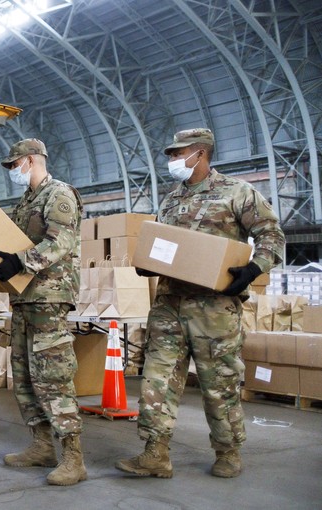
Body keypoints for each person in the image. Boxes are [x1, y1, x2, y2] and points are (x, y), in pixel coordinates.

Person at [115, 128, 285, 479]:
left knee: (218, 384)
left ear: (201, 153)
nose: (173, 160)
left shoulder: (237, 192)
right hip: (169, 305)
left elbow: (271, 234)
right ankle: (155, 453)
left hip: (214, 309)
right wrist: (149, 261)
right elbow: (163, 244)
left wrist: (254, 268)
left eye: (179, 153)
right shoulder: (171, 199)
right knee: (156, 382)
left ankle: (228, 451)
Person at [0, 138, 86, 486]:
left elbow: (59, 241)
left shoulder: (58, 194)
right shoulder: (25, 201)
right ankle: (41, 445)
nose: (13, 171)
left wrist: (21, 261)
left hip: (49, 296)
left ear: (31, 160)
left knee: (53, 374)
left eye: (15, 164)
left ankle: (74, 458)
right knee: (26, 374)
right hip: (24, 297)